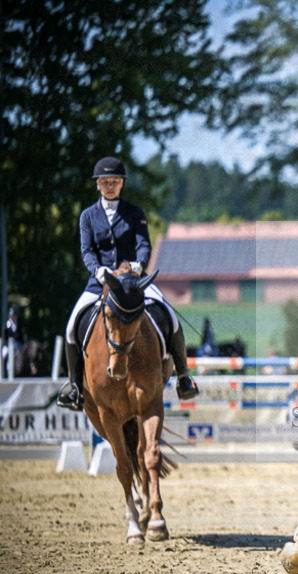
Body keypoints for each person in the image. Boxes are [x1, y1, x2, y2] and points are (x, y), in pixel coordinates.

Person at [57, 156, 199, 410]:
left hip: (133, 281)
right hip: (100, 282)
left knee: (171, 316)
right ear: (97, 185)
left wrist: (138, 264)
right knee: (70, 328)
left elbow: (144, 244)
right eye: (104, 182)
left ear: (121, 184)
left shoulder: (134, 212)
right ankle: (75, 387)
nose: (109, 186)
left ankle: (184, 378)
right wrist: (97, 270)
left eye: (114, 181)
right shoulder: (88, 216)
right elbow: (87, 250)